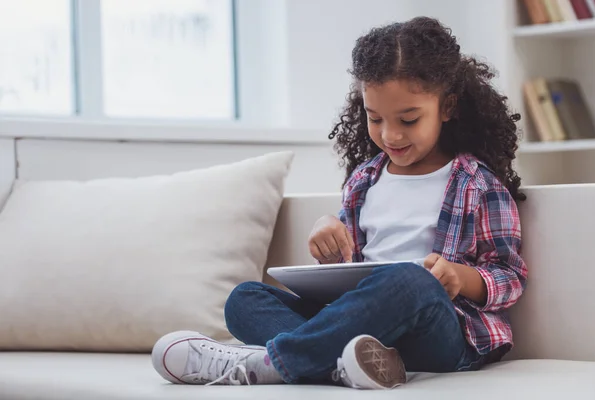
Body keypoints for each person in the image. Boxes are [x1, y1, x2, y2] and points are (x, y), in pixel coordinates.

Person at [151, 16, 528, 390]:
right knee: (244, 299)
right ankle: (344, 366)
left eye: (409, 120)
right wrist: (328, 231)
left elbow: (509, 276)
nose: (390, 134)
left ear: (447, 108)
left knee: (410, 281)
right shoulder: (364, 181)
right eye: (375, 118)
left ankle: (270, 363)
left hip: (442, 335)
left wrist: (461, 278)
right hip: (364, 334)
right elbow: (350, 271)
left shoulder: (478, 185)